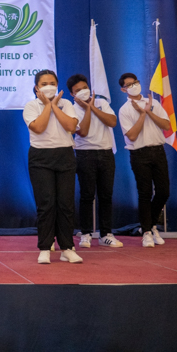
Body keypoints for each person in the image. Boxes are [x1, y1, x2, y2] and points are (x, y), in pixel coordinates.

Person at [23, 69, 83, 264]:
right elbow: (39, 128)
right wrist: (48, 105)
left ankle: (67, 247)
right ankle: (45, 247)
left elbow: (71, 127)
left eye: (52, 83)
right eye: (44, 84)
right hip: (41, 157)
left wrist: (54, 105)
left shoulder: (66, 104)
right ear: (36, 88)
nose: (49, 87)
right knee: (46, 204)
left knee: (66, 203)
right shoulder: (31, 106)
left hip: (65, 155)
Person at [67, 74, 123, 248]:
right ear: (72, 94)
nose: (83, 92)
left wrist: (92, 106)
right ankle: (86, 233)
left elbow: (112, 122)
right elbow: (81, 132)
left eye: (85, 88)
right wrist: (87, 109)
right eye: (78, 90)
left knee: (106, 195)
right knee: (87, 195)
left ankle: (106, 234)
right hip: (85, 154)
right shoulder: (71, 109)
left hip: (106, 153)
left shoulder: (102, 103)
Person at [118, 73, 171, 248]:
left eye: (136, 82)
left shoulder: (154, 102)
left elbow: (166, 125)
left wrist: (148, 111)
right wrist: (141, 115)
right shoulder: (124, 110)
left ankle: (151, 224)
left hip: (158, 151)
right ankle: (147, 231)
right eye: (129, 85)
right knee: (145, 193)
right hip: (139, 154)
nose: (134, 86)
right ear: (123, 89)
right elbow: (132, 136)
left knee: (163, 191)